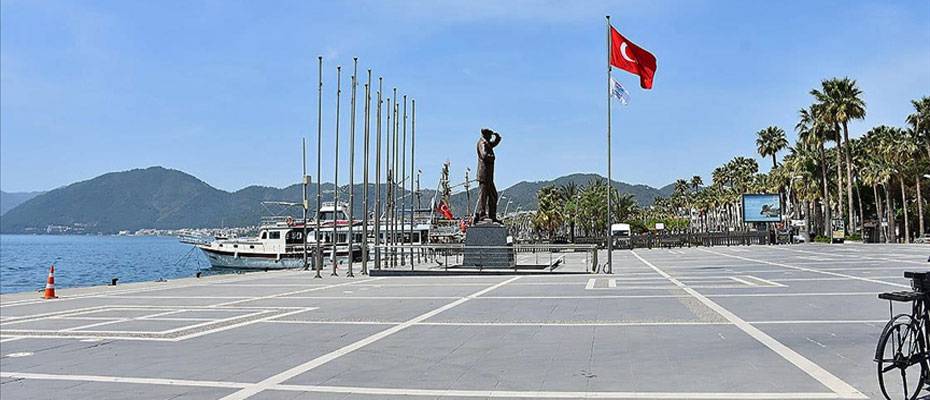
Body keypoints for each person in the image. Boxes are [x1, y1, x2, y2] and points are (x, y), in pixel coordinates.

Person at [474, 128, 501, 223]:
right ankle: (482, 214)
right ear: (486, 135)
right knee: (483, 196)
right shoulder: (482, 143)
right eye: (490, 136)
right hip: (484, 174)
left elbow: (494, 143)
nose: (491, 138)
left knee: (493, 195)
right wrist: (492, 157)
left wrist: (497, 137)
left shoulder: (487, 143)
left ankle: (492, 215)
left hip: (489, 176)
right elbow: (484, 155)